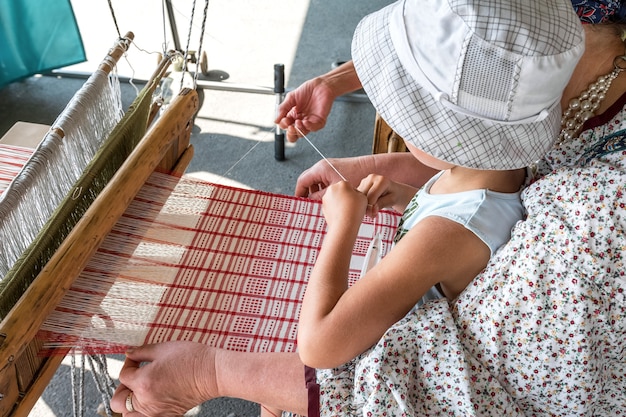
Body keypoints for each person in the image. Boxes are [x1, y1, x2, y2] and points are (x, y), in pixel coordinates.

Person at [110, 1, 626, 416]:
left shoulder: (533, 227)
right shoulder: (505, 176)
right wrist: (406, 189)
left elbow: (319, 348)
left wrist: (344, 224)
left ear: (447, 138)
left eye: (407, 118)